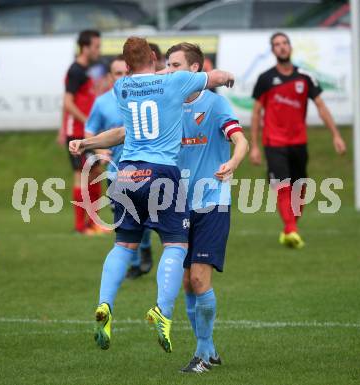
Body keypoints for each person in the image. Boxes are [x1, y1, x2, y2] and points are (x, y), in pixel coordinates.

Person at [69, 36, 235, 354]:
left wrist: (86, 142)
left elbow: (124, 130)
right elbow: (214, 78)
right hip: (161, 173)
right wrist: (225, 75)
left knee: (124, 244)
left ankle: (105, 303)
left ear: (126, 65)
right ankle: (162, 309)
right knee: (175, 243)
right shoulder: (176, 83)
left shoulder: (122, 88)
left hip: (127, 174)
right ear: (155, 57)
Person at [166, 43, 248, 373]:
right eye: (167, 65)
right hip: (178, 204)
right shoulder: (168, 106)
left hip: (213, 200)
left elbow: (241, 139)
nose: (169, 71)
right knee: (187, 283)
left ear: (195, 70)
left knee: (200, 279)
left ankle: (201, 355)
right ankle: (210, 348)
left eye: (175, 65)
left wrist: (233, 162)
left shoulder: (214, 104)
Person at [249, 32, 346, 248]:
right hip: (274, 143)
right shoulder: (265, 79)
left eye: (285, 43)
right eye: (277, 44)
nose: (282, 47)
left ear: (290, 48)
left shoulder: (305, 77)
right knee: (282, 185)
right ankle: (291, 229)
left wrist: (336, 135)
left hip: (299, 142)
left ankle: (290, 228)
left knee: (299, 187)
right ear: (272, 50)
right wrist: (254, 146)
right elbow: (256, 113)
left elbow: (321, 106)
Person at [85, 55, 152, 279]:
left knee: (147, 218)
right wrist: (98, 150)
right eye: (118, 73)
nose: (123, 77)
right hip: (116, 172)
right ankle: (133, 263)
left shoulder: (145, 99)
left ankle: (144, 248)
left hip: (145, 169)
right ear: (110, 76)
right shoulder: (102, 102)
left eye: (126, 72)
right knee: (123, 220)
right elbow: (90, 130)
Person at [59, 29, 103, 235]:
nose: (99, 50)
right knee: (81, 175)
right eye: (96, 46)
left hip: (86, 132)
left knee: (95, 172)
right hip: (77, 133)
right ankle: (80, 226)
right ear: (85, 47)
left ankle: (92, 222)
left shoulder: (86, 71)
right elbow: (67, 103)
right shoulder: (75, 70)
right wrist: (88, 122)